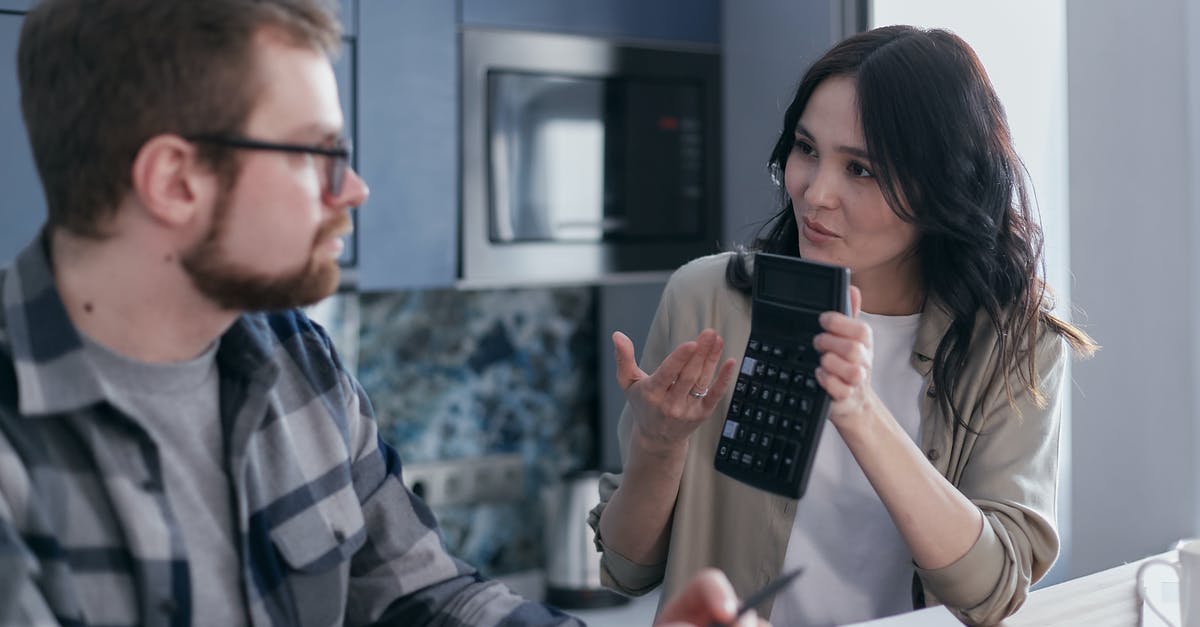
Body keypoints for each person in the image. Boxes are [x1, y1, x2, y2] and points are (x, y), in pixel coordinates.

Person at [0, 1, 769, 626]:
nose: (355, 189)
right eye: (317, 153)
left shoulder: (294, 356)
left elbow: (426, 598)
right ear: (175, 179)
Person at [590, 25, 1098, 627]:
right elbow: (626, 569)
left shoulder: (1017, 345)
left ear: (943, 187)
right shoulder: (707, 298)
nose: (815, 192)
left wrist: (859, 409)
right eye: (807, 149)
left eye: (860, 169)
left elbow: (991, 592)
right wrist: (658, 440)